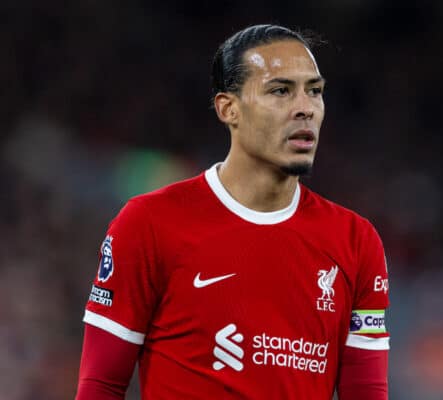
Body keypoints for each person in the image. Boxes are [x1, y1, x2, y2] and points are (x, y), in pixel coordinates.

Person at [76, 24, 390, 399]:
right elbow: (101, 385)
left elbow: (367, 393)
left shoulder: (356, 242)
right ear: (229, 109)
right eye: (280, 90)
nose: (305, 108)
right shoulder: (148, 223)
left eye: (315, 91)